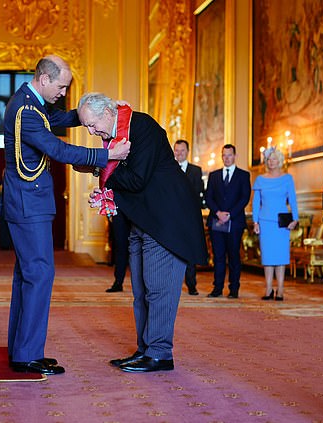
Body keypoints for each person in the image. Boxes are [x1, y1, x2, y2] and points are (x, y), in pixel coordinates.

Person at [2, 55, 130, 375]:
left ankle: (23, 349)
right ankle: (26, 354)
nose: (63, 92)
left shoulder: (31, 103)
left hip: (28, 201)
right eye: (61, 86)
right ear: (44, 80)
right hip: (28, 203)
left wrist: (104, 109)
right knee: (40, 274)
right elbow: (57, 150)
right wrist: (106, 155)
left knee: (29, 276)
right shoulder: (26, 111)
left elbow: (58, 119)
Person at [78, 92, 207, 373]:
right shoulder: (114, 141)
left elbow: (136, 178)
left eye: (92, 124)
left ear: (108, 112)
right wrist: (102, 165)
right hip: (141, 221)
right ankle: (145, 349)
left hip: (165, 222)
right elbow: (121, 176)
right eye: (86, 126)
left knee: (159, 290)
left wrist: (100, 166)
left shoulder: (141, 126)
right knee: (141, 291)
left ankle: (160, 353)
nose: (91, 131)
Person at [252, 147, 299, 301]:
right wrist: (255, 221)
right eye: (269, 159)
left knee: (280, 256)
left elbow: (292, 200)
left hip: (282, 222)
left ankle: (280, 289)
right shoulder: (260, 179)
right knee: (267, 257)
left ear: (280, 161)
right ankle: (268, 289)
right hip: (265, 222)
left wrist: (295, 219)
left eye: (274, 159)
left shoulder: (287, 179)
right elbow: (256, 202)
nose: (271, 162)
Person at [205, 144, 251, 298]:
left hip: (235, 222)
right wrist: (218, 212)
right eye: (224, 155)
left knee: (233, 256)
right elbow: (208, 197)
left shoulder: (243, 175)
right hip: (216, 221)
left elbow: (244, 198)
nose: (227, 158)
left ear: (235, 156)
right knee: (218, 256)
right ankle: (217, 288)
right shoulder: (214, 175)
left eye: (229, 155)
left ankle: (233, 289)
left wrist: (229, 214)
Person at [173, 139, 205, 295]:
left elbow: (198, 193)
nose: (179, 153)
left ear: (188, 152)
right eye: (177, 151)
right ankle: (172, 285)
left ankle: (191, 285)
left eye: (182, 151)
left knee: (190, 252)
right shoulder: (168, 169)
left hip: (190, 218)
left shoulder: (196, 171)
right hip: (172, 218)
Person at [105, 213, 130, 292]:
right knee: (120, 247)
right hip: (119, 211)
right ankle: (118, 282)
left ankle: (144, 284)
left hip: (138, 210)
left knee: (139, 249)